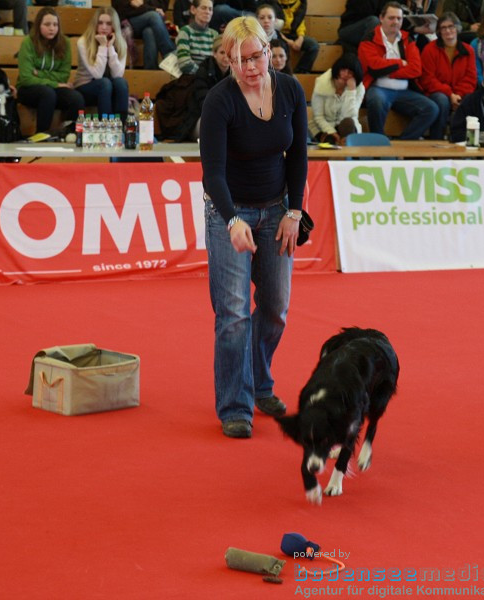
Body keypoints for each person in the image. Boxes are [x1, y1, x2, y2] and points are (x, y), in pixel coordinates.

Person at [199, 16, 307, 439]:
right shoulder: (219, 101)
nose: (250, 67)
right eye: (240, 60)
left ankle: (261, 383)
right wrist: (231, 221)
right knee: (233, 315)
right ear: (228, 60)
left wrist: (294, 211)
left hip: (277, 209)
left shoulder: (291, 90)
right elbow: (213, 174)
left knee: (276, 308)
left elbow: (298, 157)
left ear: (268, 51)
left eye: (257, 56)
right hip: (228, 210)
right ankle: (235, 405)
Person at [358, 1, 439, 139]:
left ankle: (403, 143)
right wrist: (401, 63)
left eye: (399, 18)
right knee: (376, 100)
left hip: (404, 92)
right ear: (381, 18)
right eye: (391, 18)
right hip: (378, 89)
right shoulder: (369, 39)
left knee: (432, 108)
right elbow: (373, 67)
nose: (395, 22)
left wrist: (389, 72)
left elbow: (415, 69)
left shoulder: (408, 39)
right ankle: (378, 142)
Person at [16, 7, 85, 134]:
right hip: (27, 89)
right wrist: (55, 84)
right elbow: (26, 78)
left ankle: (69, 133)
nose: (52, 28)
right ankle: (42, 134)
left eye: (55, 24)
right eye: (47, 24)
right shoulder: (28, 42)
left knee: (76, 98)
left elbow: (64, 75)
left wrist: (40, 74)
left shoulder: (65, 42)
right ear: (38, 25)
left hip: (51, 90)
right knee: (47, 93)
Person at [418, 12, 476, 140]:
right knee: (442, 100)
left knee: (472, 99)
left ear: (457, 28)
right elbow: (427, 79)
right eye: (443, 28)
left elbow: (471, 78)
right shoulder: (430, 49)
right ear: (439, 31)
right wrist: (450, 95)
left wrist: (458, 95)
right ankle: (436, 141)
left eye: (451, 26)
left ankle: (464, 143)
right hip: (436, 93)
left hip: (461, 94)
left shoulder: (468, 50)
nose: (448, 31)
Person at [73, 7, 130, 122]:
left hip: (107, 86)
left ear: (114, 26)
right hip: (85, 87)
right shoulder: (83, 42)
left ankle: (122, 126)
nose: (104, 27)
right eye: (100, 23)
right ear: (95, 24)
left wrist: (111, 49)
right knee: (105, 83)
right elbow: (97, 75)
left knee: (121, 82)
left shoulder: (121, 43)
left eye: (109, 23)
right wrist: (103, 46)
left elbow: (118, 74)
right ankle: (106, 127)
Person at [309, 53, 364, 144]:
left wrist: (351, 91)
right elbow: (318, 117)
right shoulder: (322, 83)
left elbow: (350, 115)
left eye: (350, 72)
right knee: (330, 140)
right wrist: (332, 132)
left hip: (345, 126)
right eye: (343, 70)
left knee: (348, 123)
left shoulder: (358, 88)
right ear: (337, 69)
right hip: (322, 126)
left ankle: (347, 149)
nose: (346, 74)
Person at [112, 0, 176, 71]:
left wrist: (143, 6)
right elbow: (120, 7)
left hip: (150, 20)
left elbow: (161, 7)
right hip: (127, 22)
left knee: (149, 31)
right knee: (154, 16)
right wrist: (149, 8)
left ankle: (150, 71)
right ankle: (170, 55)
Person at [256, 3, 317, 74]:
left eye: (270, 17)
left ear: (275, 20)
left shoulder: (282, 40)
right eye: (262, 18)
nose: (266, 21)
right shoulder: (251, 40)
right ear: (257, 20)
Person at [276, 0, 319, 73]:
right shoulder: (274, 3)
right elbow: (273, 28)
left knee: (313, 45)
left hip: (294, 33)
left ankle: (301, 71)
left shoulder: (299, 2)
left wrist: (301, 37)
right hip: (279, 35)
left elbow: (300, 20)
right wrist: (288, 41)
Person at [175, 0, 216, 76]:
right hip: (192, 79)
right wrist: (204, 75)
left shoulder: (214, 34)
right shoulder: (185, 31)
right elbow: (184, 63)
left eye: (210, 9)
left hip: (210, 79)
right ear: (193, 10)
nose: (207, 12)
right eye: (204, 8)